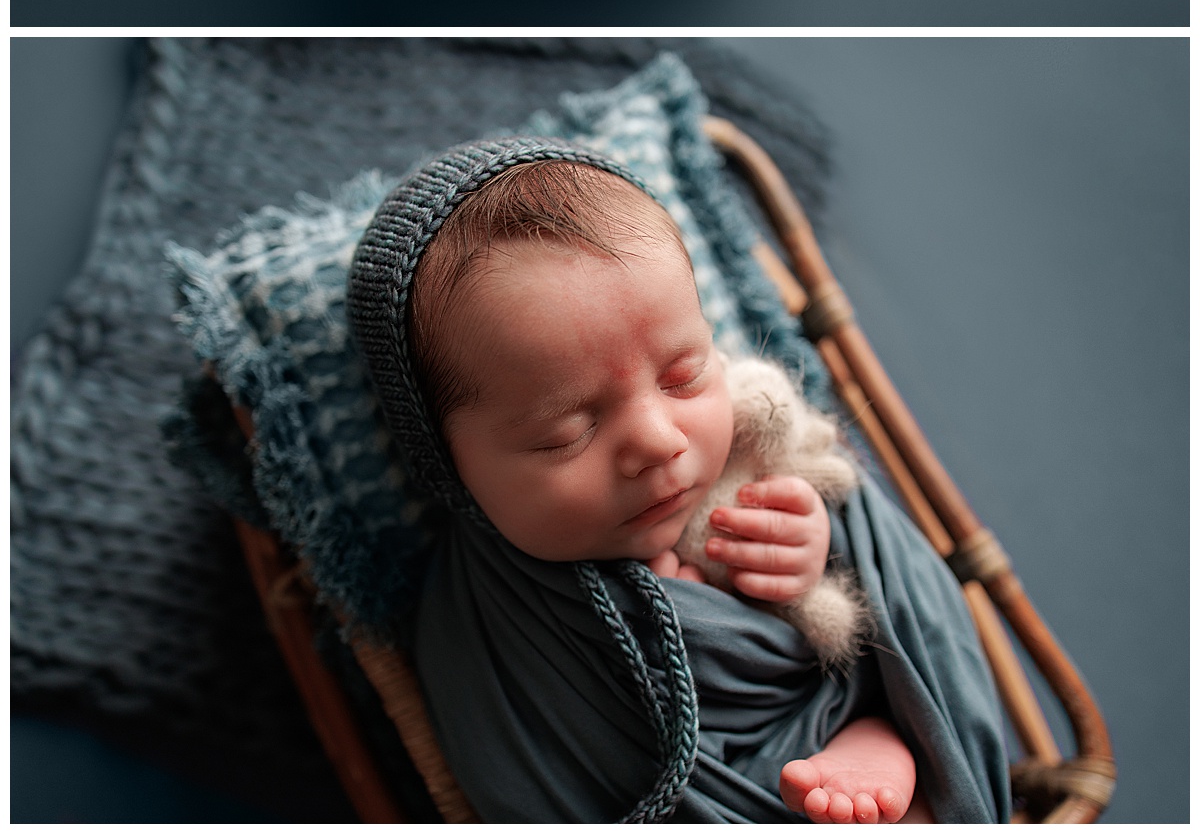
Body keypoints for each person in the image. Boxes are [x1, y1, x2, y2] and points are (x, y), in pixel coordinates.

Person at [347, 139, 1011, 823]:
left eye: (683, 375)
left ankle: (877, 747)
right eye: (567, 432)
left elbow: (877, 593)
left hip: (839, 710)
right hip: (705, 794)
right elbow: (537, 782)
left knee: (881, 704)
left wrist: (810, 547)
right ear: (448, 463)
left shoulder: (755, 465)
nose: (661, 443)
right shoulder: (487, 634)